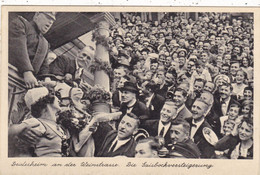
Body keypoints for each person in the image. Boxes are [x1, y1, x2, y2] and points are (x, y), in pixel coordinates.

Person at [8, 87, 69, 157]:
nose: (58, 99)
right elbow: (9, 132)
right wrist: (21, 129)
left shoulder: (55, 125)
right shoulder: (36, 122)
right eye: (53, 95)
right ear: (47, 101)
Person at [9, 12, 56, 88]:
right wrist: (27, 71)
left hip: (26, 85)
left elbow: (44, 65)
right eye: (48, 17)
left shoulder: (45, 44)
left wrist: (46, 78)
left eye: (53, 21)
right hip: (9, 75)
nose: (50, 22)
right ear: (37, 15)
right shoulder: (21, 24)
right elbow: (19, 49)